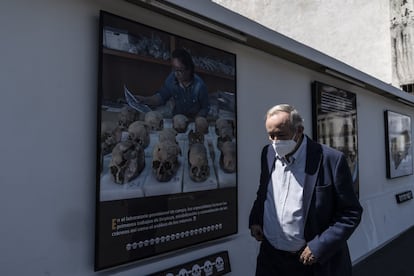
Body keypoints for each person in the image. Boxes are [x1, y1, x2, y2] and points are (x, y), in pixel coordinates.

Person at [249, 104, 363, 276]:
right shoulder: (268, 154)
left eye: (281, 135)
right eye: (270, 135)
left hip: (311, 263)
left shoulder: (330, 160)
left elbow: (350, 213)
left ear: (299, 130)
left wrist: (319, 247)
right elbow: (264, 192)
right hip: (271, 259)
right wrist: (256, 219)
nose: (275, 142)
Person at [135, 48, 209, 118]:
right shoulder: (172, 78)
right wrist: (144, 99)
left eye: (179, 70)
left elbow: (205, 108)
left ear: (189, 69)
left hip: (193, 122)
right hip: (176, 120)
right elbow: (160, 97)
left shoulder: (200, 86)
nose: (176, 73)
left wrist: (197, 121)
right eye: (174, 69)